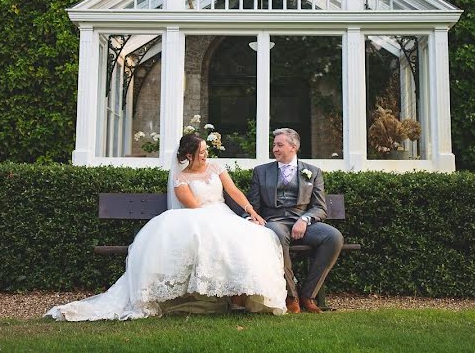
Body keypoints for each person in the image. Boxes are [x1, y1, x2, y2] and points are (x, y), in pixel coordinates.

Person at [45, 134, 286, 321]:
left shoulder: (216, 168)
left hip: (222, 214)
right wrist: (210, 217)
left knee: (258, 236)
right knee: (210, 238)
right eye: (201, 152)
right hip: (198, 216)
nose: (205, 155)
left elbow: (233, 192)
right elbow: (194, 207)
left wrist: (251, 212)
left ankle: (243, 297)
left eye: (205, 151)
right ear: (189, 155)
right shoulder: (180, 179)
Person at [247, 128, 344, 314]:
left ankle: (308, 295)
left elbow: (320, 207)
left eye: (279, 145)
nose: (274, 148)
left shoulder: (313, 172)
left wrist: (305, 219)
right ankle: (291, 296)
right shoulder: (261, 172)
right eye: (274, 144)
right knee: (275, 235)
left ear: (293, 147)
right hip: (275, 221)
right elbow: (254, 205)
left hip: (303, 222)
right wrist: (252, 218)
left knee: (333, 237)